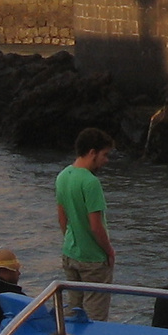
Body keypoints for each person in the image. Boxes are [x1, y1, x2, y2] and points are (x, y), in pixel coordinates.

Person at [56, 128, 116, 320]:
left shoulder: (63, 176)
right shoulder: (91, 183)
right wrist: (109, 251)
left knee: (74, 312)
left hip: (70, 253)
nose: (106, 160)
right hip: (93, 259)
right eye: (104, 155)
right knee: (95, 316)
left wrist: (71, 240)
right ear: (92, 152)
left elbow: (62, 218)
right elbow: (96, 226)